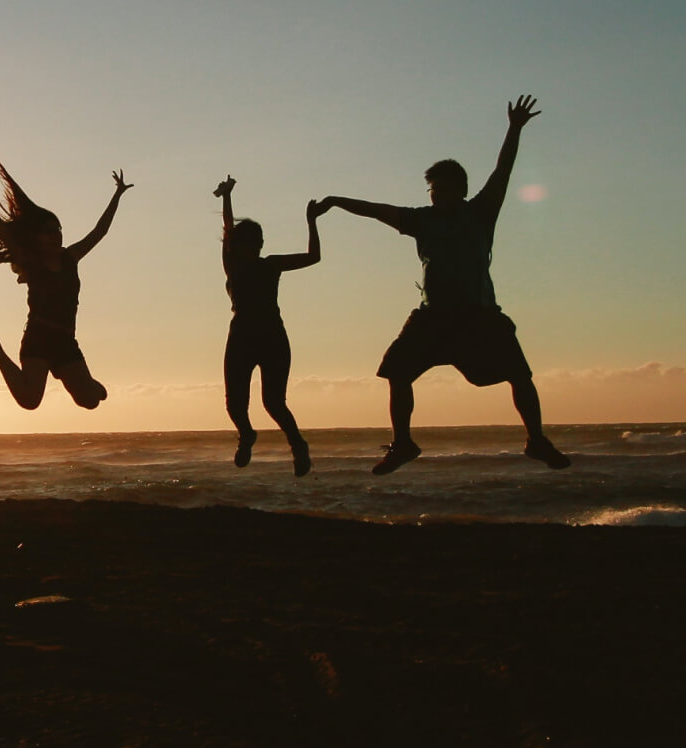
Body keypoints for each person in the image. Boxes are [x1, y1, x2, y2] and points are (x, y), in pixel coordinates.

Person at [319, 95, 569, 473]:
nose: (435, 194)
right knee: (397, 372)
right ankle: (403, 444)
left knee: (519, 374)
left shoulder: (481, 211)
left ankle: (536, 440)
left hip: (478, 316)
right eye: (431, 189)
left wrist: (514, 128)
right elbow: (377, 210)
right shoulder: (421, 219)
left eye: (441, 188)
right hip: (433, 318)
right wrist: (337, 201)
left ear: (460, 190)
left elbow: (503, 170)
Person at [0, 163, 129, 417]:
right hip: (38, 336)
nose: (56, 235)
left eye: (58, 230)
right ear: (36, 237)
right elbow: (3, 229)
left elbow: (99, 231)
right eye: (49, 232)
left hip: (65, 341)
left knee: (90, 402)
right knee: (29, 400)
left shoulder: (71, 257)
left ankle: (87, 385)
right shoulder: (31, 263)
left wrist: (117, 194)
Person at [212, 176, 320, 476]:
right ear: (241, 245)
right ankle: (247, 434)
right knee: (235, 403)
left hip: (272, 336)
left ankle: (298, 445)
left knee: (273, 402)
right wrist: (226, 197)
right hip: (242, 336)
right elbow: (228, 229)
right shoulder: (232, 263)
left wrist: (311, 222)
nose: (257, 246)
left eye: (259, 242)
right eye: (251, 242)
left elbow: (314, 257)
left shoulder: (271, 264)